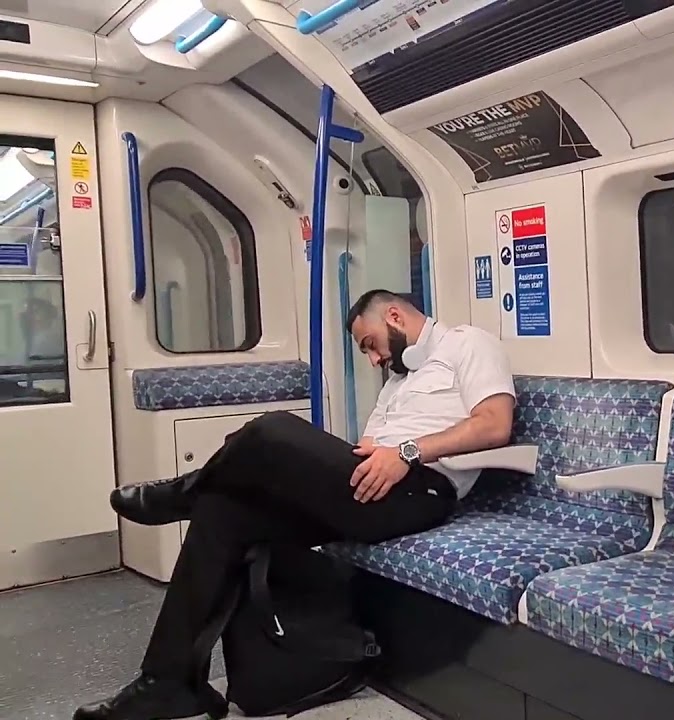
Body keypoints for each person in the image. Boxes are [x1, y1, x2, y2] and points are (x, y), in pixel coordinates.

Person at [75, 290, 517, 720]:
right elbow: (364, 448)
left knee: (272, 430)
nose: (374, 360)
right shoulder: (396, 385)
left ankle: (179, 494)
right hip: (369, 485)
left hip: (423, 491)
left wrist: (406, 452)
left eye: (371, 345)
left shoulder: (469, 344)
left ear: (395, 318)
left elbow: (495, 425)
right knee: (222, 511)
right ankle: (169, 683)